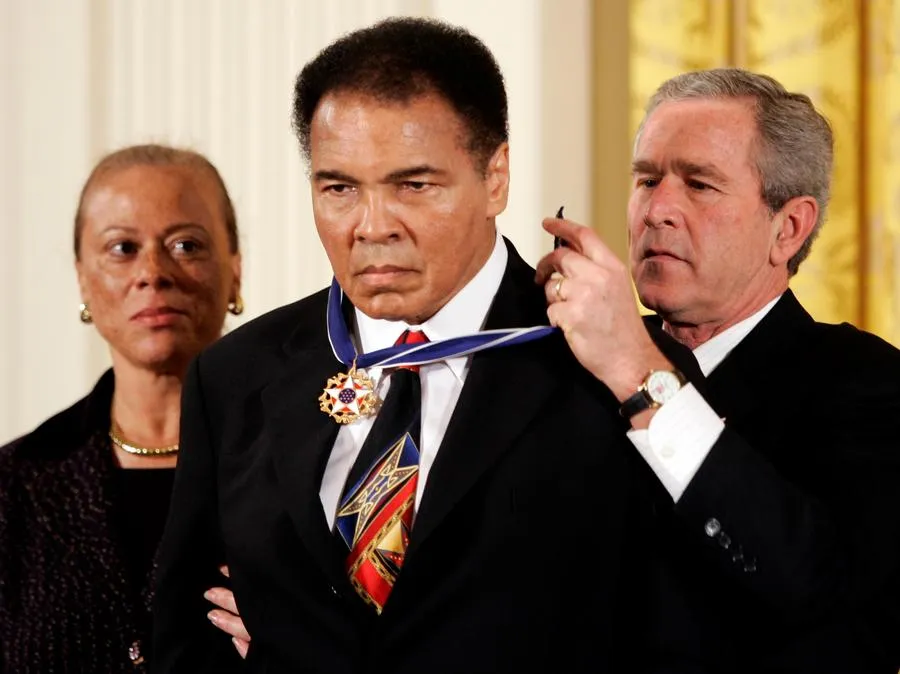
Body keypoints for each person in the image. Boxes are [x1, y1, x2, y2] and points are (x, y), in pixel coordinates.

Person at [151, 17, 701, 674]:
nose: (373, 227)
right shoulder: (234, 376)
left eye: (413, 185)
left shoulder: (617, 368)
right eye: (339, 188)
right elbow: (184, 642)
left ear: (495, 176)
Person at [536, 68, 900, 672]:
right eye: (647, 179)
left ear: (788, 228)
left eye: (700, 185)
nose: (657, 210)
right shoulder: (568, 362)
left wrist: (635, 368)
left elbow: (812, 580)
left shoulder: (866, 384)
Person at [0, 144, 245, 673]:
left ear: (235, 270)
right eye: (122, 248)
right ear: (83, 279)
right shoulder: (13, 483)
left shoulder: (308, 464)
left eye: (186, 244)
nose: (153, 272)